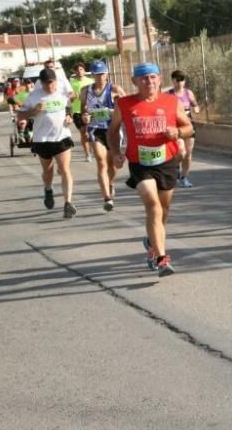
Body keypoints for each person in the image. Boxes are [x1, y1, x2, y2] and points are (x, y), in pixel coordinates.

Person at [108, 62, 193, 277]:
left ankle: (152, 242)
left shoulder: (171, 101)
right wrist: (116, 152)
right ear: (135, 81)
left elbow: (189, 127)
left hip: (167, 161)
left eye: (153, 77)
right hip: (140, 164)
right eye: (144, 78)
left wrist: (177, 132)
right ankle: (162, 258)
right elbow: (112, 130)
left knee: (163, 211)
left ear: (160, 79)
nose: (149, 82)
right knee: (153, 207)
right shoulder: (124, 104)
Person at [17, 67, 78, 218]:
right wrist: (33, 112)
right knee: (48, 171)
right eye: (46, 83)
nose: (49, 86)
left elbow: (69, 107)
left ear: (56, 81)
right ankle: (48, 189)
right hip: (42, 140)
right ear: (41, 83)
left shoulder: (62, 93)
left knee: (65, 170)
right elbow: (20, 115)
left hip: (61, 137)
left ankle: (68, 203)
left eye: (51, 82)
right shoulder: (34, 96)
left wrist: (69, 116)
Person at [81, 60, 125, 211]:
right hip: (95, 130)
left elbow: (127, 108)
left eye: (102, 74)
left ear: (107, 74)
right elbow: (83, 111)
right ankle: (106, 197)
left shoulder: (115, 89)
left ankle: (110, 182)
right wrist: (85, 117)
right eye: (97, 74)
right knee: (101, 161)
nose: (100, 77)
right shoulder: (86, 91)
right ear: (92, 75)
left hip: (113, 130)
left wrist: (114, 112)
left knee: (112, 163)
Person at [167, 70, 200, 188]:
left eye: (183, 80)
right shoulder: (169, 95)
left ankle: (184, 177)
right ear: (173, 81)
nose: (181, 82)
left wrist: (196, 108)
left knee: (188, 154)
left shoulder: (188, 93)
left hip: (189, 126)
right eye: (178, 80)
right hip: (176, 127)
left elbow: (195, 104)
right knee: (181, 151)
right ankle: (173, 169)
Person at [69, 61, 94, 162]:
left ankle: (93, 149)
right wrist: (74, 96)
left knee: (90, 133)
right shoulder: (71, 82)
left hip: (90, 110)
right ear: (75, 71)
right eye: (77, 70)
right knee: (84, 133)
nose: (79, 71)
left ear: (84, 70)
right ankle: (87, 154)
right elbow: (69, 97)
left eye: (81, 69)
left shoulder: (91, 81)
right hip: (77, 111)